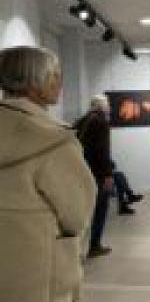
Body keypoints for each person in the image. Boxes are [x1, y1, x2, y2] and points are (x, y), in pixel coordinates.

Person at [0, 46, 97, 302]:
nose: (60, 82)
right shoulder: (52, 140)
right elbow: (77, 213)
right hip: (38, 270)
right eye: (54, 75)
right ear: (34, 82)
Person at [74, 95, 114, 258]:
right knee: (100, 209)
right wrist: (108, 174)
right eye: (108, 105)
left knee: (82, 211)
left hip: (80, 170)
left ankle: (74, 248)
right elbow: (102, 151)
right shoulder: (101, 122)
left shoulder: (81, 120)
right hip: (96, 173)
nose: (109, 107)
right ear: (102, 106)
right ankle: (95, 245)